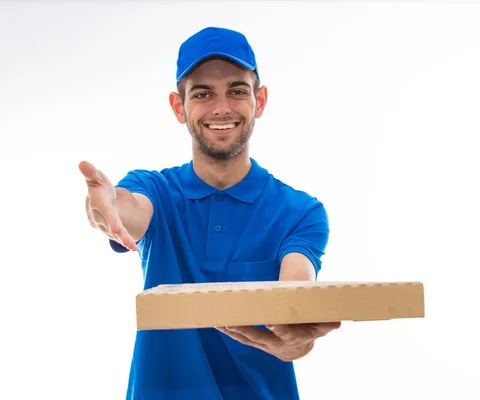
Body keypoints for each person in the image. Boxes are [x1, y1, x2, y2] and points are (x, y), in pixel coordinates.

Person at [79, 26, 341, 400]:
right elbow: (129, 208)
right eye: (203, 93)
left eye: (237, 90)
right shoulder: (156, 190)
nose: (222, 108)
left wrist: (296, 341)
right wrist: (105, 210)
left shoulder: (301, 211)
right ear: (178, 106)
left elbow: (295, 294)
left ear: (260, 101)